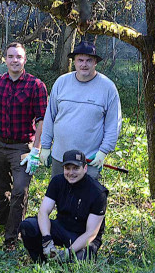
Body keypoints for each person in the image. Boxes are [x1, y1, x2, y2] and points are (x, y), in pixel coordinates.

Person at [0, 42, 48, 247]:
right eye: (11, 56)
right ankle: (2, 224)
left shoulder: (35, 85)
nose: (15, 60)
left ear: (25, 60)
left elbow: (42, 120)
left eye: (19, 57)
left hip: (22, 147)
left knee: (19, 190)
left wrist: (36, 150)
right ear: (5, 59)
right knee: (1, 188)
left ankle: (12, 237)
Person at [40, 39, 121, 179]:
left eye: (89, 60)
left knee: (85, 199)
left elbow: (114, 124)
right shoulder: (61, 83)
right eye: (80, 60)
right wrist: (46, 147)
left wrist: (103, 151)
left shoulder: (108, 88)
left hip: (89, 160)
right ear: (74, 61)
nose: (84, 64)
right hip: (60, 158)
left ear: (95, 62)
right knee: (60, 196)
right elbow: (50, 117)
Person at [19, 149, 108, 263]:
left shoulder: (97, 192)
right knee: (28, 226)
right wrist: (47, 239)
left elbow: (91, 233)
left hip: (83, 235)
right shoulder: (57, 182)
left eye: (76, 168)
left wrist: (68, 253)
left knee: (80, 261)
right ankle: (41, 262)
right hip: (61, 227)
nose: (71, 173)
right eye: (67, 168)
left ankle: (64, 261)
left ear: (85, 168)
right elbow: (43, 211)